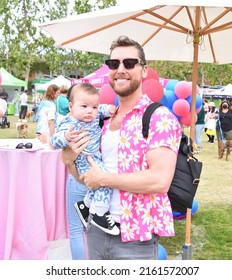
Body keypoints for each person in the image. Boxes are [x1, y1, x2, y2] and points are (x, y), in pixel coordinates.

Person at [61, 35, 182, 260]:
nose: (120, 69)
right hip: (97, 230)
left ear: (144, 71)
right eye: (114, 64)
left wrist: (104, 179)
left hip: (136, 238)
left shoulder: (158, 118)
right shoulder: (104, 123)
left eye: (129, 63)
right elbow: (88, 178)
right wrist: (69, 162)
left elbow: (160, 181)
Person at [51, 83, 119, 235]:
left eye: (93, 107)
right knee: (105, 181)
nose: (90, 111)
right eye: (84, 106)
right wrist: (66, 137)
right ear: (71, 107)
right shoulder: (70, 123)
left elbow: (101, 109)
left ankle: (86, 205)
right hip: (83, 159)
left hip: (95, 157)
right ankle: (99, 214)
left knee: (98, 184)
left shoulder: (94, 117)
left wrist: (108, 109)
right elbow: (53, 141)